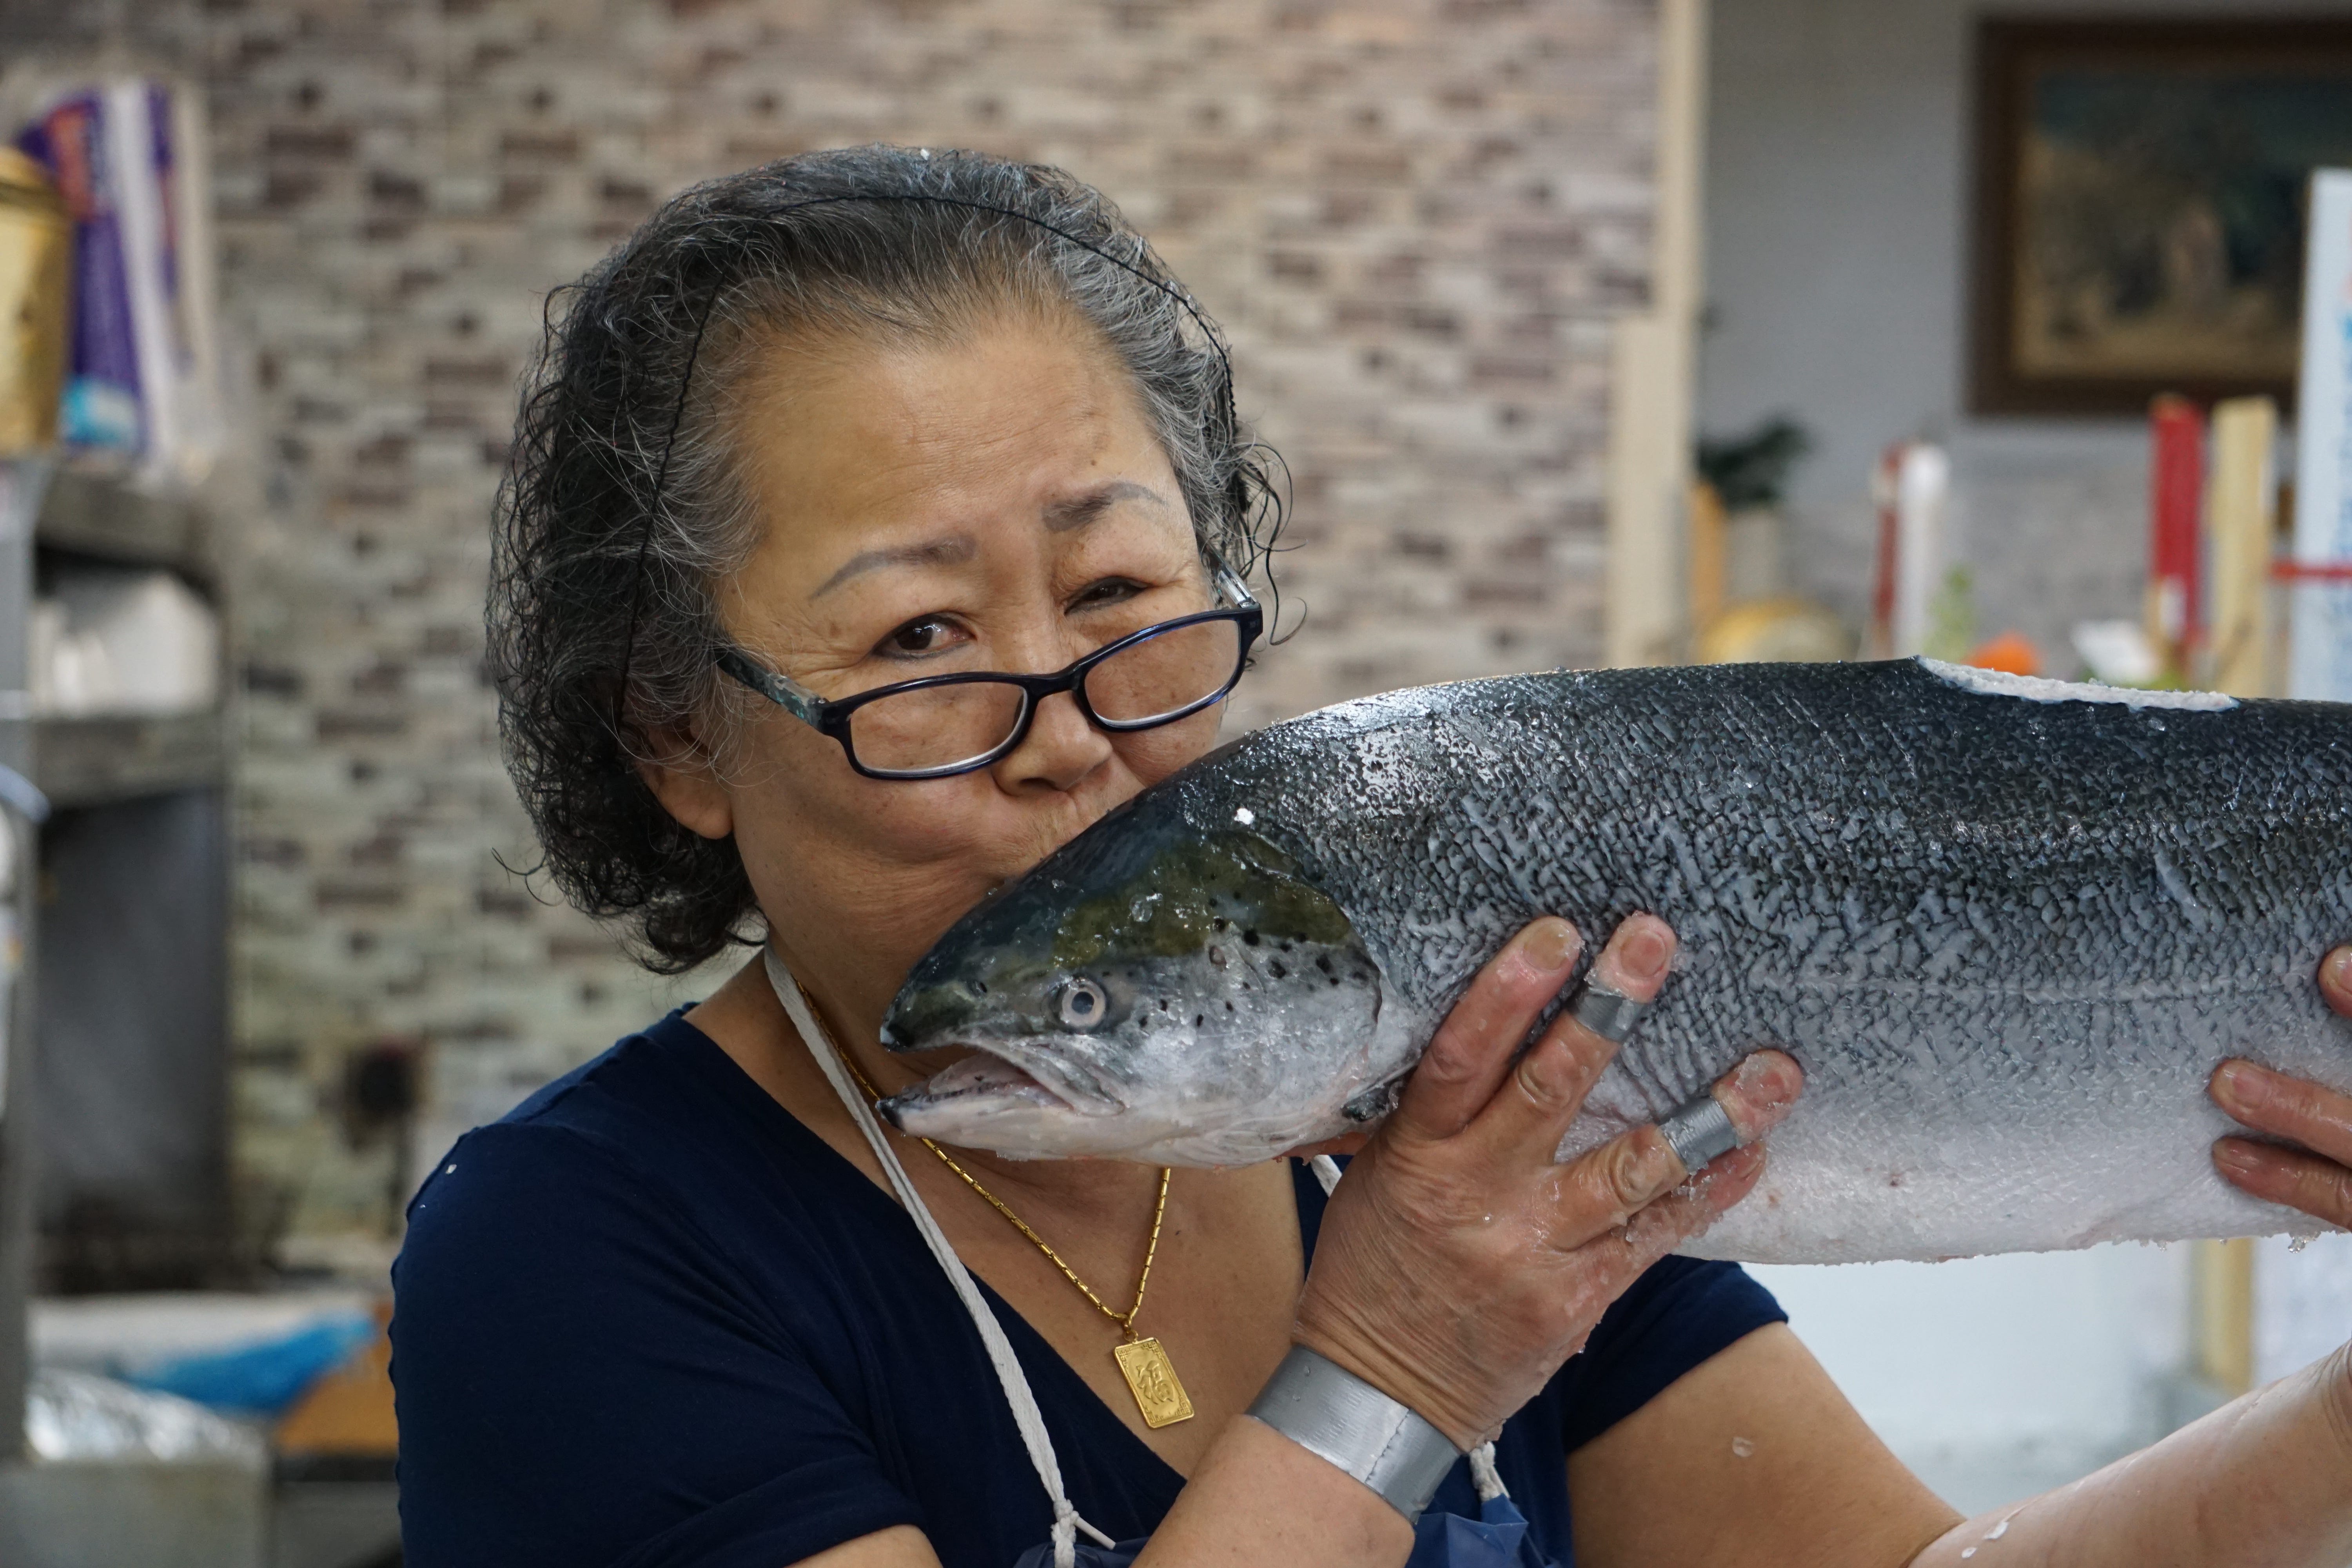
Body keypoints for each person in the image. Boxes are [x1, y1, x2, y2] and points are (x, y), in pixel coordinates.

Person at [392, 145, 2352, 1567]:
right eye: (920, 638)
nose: (1070, 729)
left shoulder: (1463, 1123)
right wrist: (1397, 1363)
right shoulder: (570, 1253)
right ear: (677, 735)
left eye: (1119, 594)